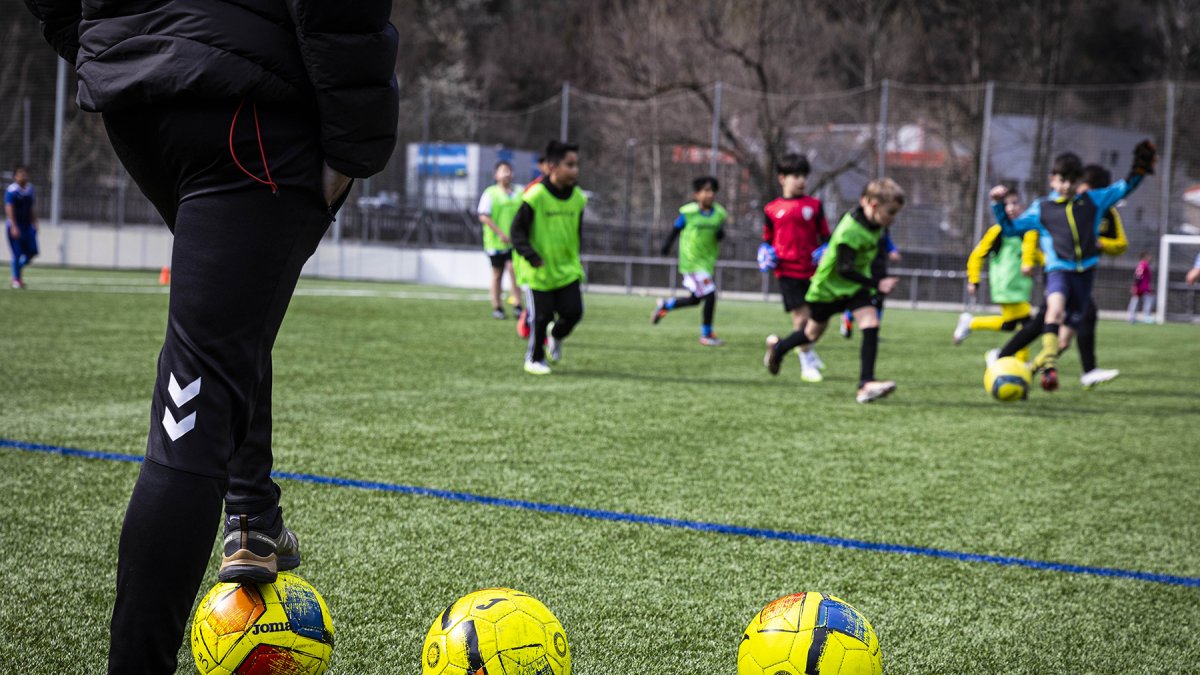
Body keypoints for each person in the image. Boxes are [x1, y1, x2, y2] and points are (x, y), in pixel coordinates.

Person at [23, 1, 398, 672]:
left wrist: (102, 46)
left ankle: (253, 516)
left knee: (227, 329)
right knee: (197, 392)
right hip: (250, 104)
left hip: (139, 97)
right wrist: (354, 146)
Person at [997, 142, 1156, 391]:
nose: (1067, 186)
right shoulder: (1044, 207)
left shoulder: (1094, 201)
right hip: (1059, 271)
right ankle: (1048, 366)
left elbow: (1124, 188)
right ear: (1053, 180)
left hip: (1085, 276)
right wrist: (998, 205)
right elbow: (1010, 228)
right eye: (1062, 181)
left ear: (1079, 180)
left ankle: (1028, 371)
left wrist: (1139, 170)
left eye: (1072, 181)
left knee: (1065, 339)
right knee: (1054, 311)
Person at [764, 178, 904, 403]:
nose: (893, 218)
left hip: (854, 287)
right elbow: (845, 269)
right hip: (828, 288)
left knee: (870, 323)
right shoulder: (851, 230)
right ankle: (779, 349)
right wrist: (877, 284)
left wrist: (877, 280)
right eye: (891, 212)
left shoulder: (876, 225)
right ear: (874, 205)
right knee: (811, 334)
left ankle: (865, 384)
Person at [512, 140, 586, 375]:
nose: (575, 170)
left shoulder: (579, 198)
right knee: (541, 317)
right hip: (539, 269)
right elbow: (517, 231)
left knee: (574, 312)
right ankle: (533, 359)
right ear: (552, 166)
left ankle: (556, 335)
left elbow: (577, 232)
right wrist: (531, 255)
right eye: (569, 165)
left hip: (567, 268)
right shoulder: (535, 196)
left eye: (576, 165)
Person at [758, 153, 830, 381]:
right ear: (782, 178)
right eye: (795, 176)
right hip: (788, 271)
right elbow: (767, 239)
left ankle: (784, 346)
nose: (801, 181)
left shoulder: (814, 206)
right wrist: (764, 252)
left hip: (814, 270)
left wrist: (826, 249)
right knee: (801, 319)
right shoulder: (772, 209)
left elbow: (826, 237)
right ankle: (805, 362)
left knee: (821, 318)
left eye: (804, 176)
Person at [953, 188, 1040, 362]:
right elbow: (977, 255)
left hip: (1021, 288)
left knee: (1010, 325)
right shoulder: (997, 232)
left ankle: (970, 323)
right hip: (1005, 286)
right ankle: (1018, 360)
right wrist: (974, 279)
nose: (1010, 208)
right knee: (1028, 323)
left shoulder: (1028, 231)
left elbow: (1035, 255)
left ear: (1022, 206)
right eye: (1006, 204)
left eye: (1014, 203)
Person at [651, 176, 728, 346]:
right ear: (697, 194)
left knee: (695, 299)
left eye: (712, 191)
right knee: (710, 295)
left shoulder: (719, 214)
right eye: (706, 191)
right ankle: (706, 335)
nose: (710, 194)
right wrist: (666, 246)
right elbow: (675, 229)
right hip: (691, 262)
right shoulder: (688, 213)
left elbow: (720, 232)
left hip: (707, 262)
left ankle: (666, 305)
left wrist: (720, 235)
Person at [478, 160, 523, 319]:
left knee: (514, 270)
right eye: (503, 170)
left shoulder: (519, 193)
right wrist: (500, 233)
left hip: (514, 242)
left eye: (509, 170)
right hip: (495, 242)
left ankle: (518, 304)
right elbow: (484, 216)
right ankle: (497, 306)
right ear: (496, 175)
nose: (507, 173)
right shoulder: (490, 193)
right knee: (497, 273)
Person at [839, 230, 900, 339]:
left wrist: (893, 251)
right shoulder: (860, 227)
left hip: (880, 270)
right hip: (864, 270)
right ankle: (847, 319)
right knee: (858, 298)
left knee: (879, 301)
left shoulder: (883, 229)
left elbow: (887, 242)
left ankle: (874, 331)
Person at [5, 165, 38, 289]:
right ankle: (16, 279)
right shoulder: (12, 190)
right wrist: (13, 225)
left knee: (32, 251)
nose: (23, 176)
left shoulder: (30, 189)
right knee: (17, 253)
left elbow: (32, 208)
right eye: (20, 174)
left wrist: (34, 222)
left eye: (25, 173)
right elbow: (9, 208)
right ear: (15, 176)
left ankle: (17, 270)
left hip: (27, 226)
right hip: (15, 225)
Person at [1128, 251, 1154, 324]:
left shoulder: (1143, 264)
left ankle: (1132, 317)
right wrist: (1135, 285)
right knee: (1146, 300)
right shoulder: (1143, 264)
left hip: (1141, 286)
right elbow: (1138, 274)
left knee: (1135, 301)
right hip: (1142, 286)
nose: (1150, 258)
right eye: (1149, 256)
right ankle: (1145, 317)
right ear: (1145, 257)